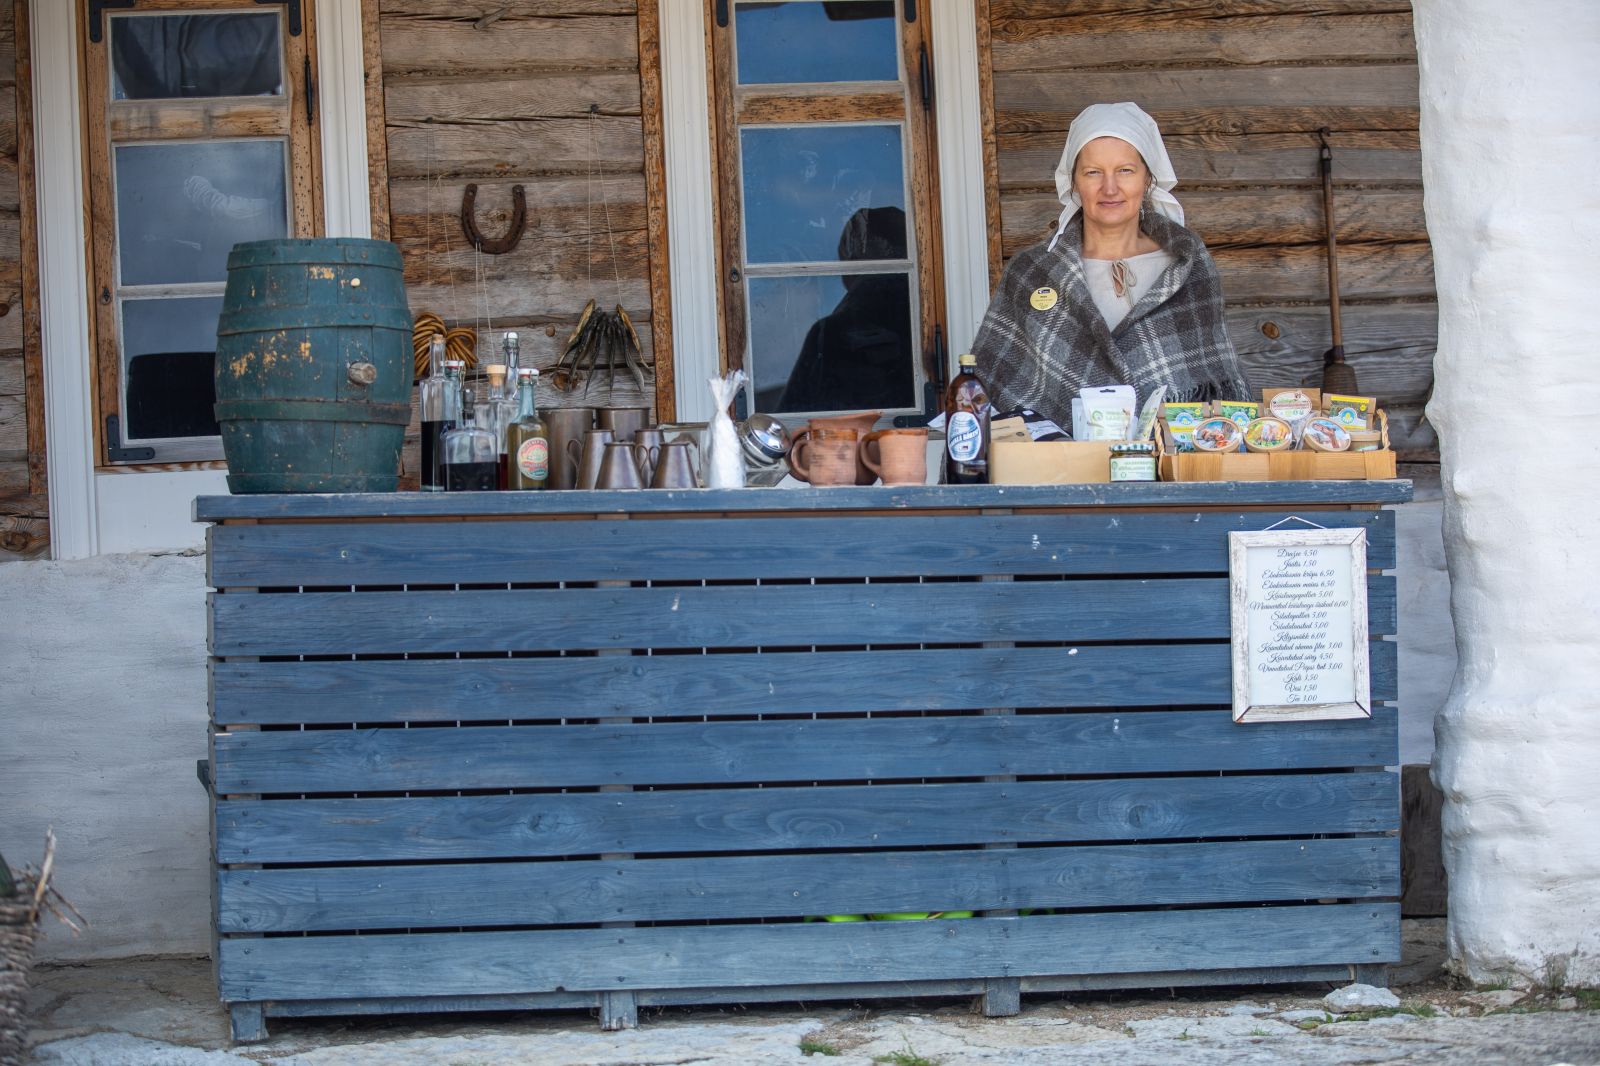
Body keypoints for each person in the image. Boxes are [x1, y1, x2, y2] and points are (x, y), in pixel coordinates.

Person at [972, 102, 1248, 430]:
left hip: (1171, 452)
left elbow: (1217, 387)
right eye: (1093, 172)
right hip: (1061, 456)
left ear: (1147, 178)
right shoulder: (1032, 272)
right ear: (1074, 182)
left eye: (1125, 170)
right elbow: (989, 387)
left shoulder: (1187, 265)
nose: (1110, 188)